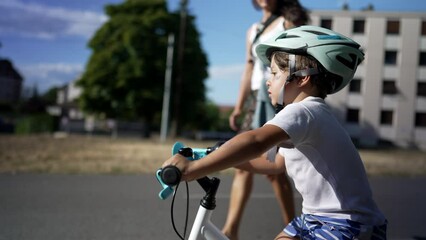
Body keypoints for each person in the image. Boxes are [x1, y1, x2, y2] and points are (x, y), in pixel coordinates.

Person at [163, 25, 387, 239]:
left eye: (275, 74)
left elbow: (256, 141)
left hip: (347, 224)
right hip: (316, 218)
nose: (268, 82)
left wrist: (193, 169)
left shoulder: (304, 111)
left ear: (301, 77)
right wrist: (214, 155)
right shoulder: (307, 117)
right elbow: (275, 164)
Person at [225, 0, 309, 239]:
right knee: (243, 164)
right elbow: (248, 69)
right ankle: (231, 230)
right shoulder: (252, 30)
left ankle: (292, 228)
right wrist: (239, 106)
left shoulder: (289, 21)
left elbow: (302, 59)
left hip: (280, 96)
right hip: (255, 99)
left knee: (275, 170)